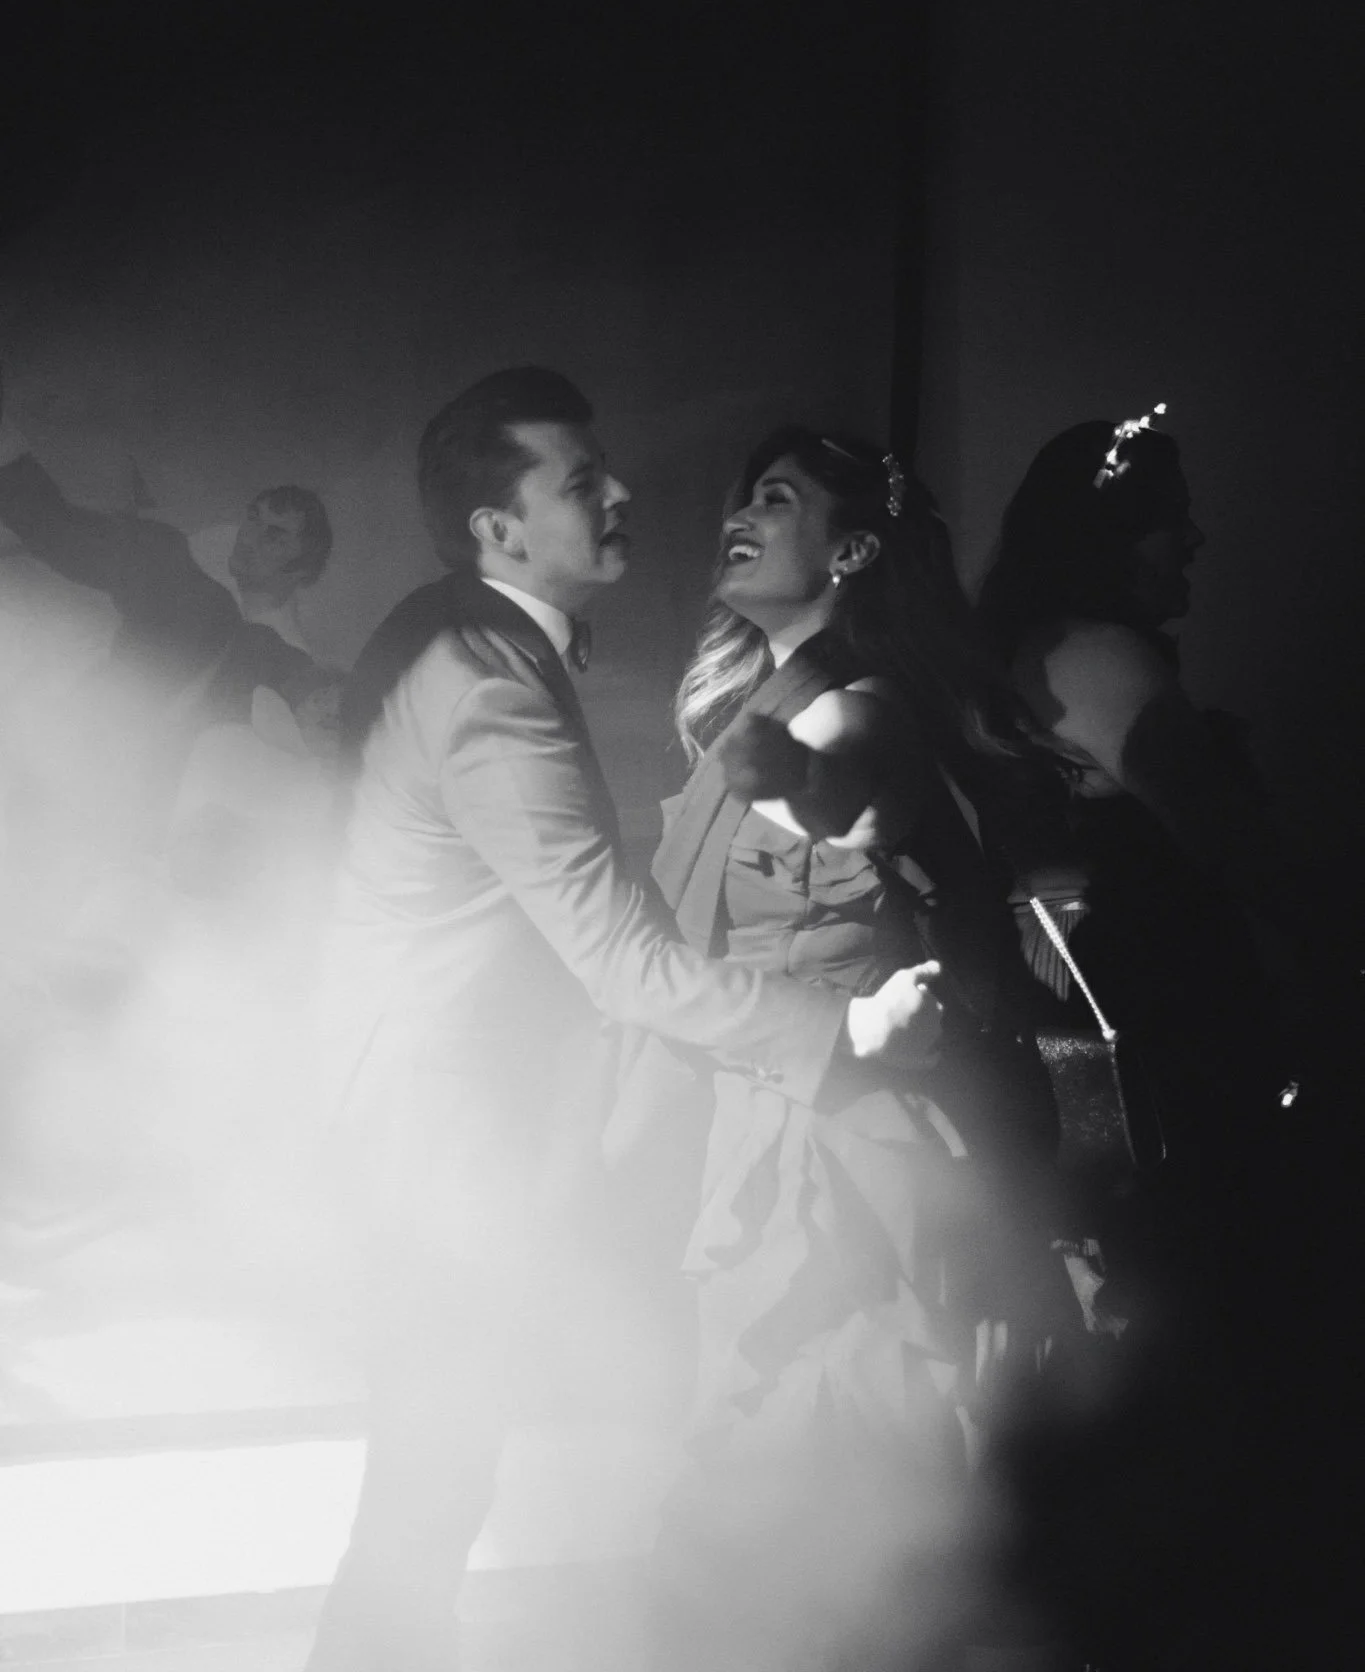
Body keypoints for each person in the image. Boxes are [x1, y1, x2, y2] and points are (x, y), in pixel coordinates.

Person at [304, 370, 938, 1672]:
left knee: (443, 1470)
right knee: (432, 1475)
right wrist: (844, 1036)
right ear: (499, 527)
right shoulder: (482, 671)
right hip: (441, 1128)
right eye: (579, 483)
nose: (623, 494)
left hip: (453, 1107)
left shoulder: (470, 635)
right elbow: (616, 955)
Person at [640, 426, 1073, 1672]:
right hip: (762, 1113)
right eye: (742, 491)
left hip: (841, 1146)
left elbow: (860, 791)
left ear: (853, 547)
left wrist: (793, 775)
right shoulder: (760, 696)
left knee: (829, 1468)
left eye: (775, 498)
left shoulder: (861, 702)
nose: (741, 510)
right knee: (775, 1477)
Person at [976, 412, 1318, 1668]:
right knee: (1201, 1373)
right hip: (1168, 1085)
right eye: (1172, 514)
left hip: (1115, 1087)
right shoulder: (1099, 657)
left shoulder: (1038, 652)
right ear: (1110, 537)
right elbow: (1242, 848)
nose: (1198, 536)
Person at [0, 357, 333, 875]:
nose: (252, 537)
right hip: (75, 749)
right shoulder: (184, 570)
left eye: (276, 535)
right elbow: (66, 541)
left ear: (302, 569)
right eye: (254, 518)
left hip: (133, 819)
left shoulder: (280, 653)